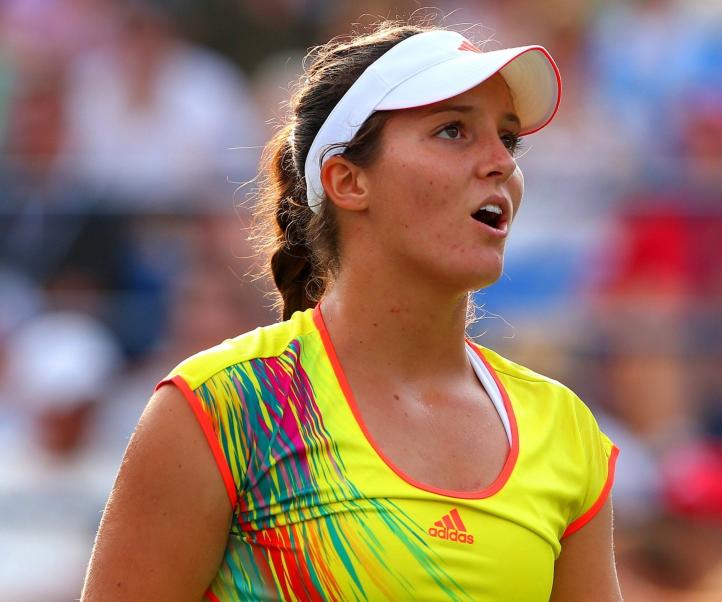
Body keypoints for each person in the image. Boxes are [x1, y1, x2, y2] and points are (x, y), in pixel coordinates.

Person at [81, 18, 622, 601]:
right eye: (453, 131)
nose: (502, 164)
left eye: (507, 138)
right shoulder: (222, 406)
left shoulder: (565, 428)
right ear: (347, 181)